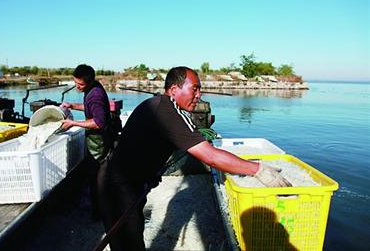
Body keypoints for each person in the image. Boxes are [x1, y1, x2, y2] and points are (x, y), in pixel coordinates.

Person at [98, 66, 291, 251]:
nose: (199, 95)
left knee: (127, 239)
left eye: (200, 90)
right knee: (128, 241)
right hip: (118, 184)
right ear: (174, 89)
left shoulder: (164, 106)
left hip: (125, 180)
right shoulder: (167, 111)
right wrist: (258, 170)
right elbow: (210, 156)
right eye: (195, 89)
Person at [60, 64, 114, 219]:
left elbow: (99, 122)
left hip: (99, 143)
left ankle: (99, 213)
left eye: (81, 84)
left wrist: (73, 123)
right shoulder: (92, 89)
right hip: (96, 140)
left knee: (97, 179)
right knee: (96, 177)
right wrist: (72, 105)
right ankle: (100, 209)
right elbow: (90, 108)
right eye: (75, 83)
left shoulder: (95, 94)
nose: (77, 87)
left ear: (90, 81)